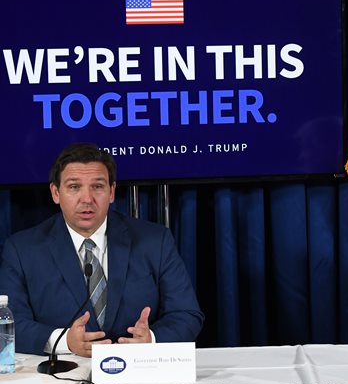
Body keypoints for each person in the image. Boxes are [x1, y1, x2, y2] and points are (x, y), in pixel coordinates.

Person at [0, 143, 204, 357]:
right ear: (55, 193)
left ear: (112, 192)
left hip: (140, 372)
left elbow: (187, 314)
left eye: (97, 187)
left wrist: (151, 339)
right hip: (62, 374)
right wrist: (64, 341)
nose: (87, 199)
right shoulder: (23, 250)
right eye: (74, 187)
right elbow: (8, 323)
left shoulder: (155, 241)